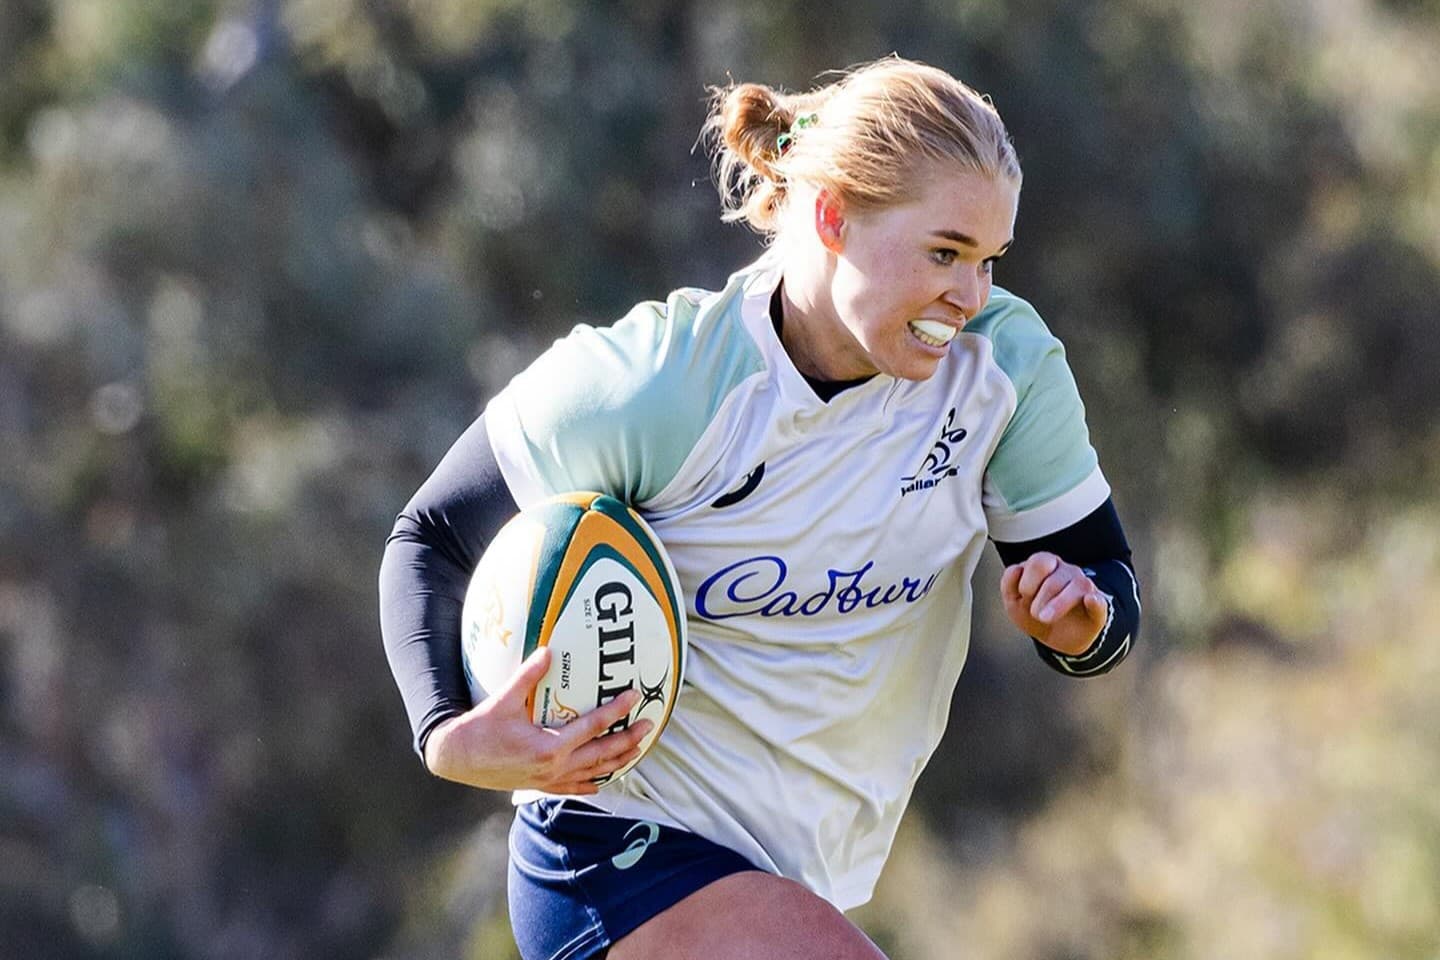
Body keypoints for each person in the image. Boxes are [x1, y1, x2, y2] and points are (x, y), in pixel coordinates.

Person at [379, 56, 1141, 960]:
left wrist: (1080, 621)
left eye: (988, 261)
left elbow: (1108, 591)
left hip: (797, 874)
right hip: (617, 854)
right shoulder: (661, 386)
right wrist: (447, 736)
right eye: (944, 253)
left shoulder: (1003, 371)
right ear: (832, 216)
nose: (969, 296)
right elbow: (429, 537)